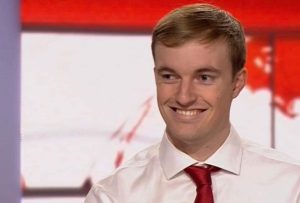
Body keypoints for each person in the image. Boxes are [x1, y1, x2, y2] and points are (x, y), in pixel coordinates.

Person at [85, 3, 300, 203]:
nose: (184, 97)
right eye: (169, 76)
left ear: (237, 83)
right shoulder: (114, 195)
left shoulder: (292, 188)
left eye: (204, 77)